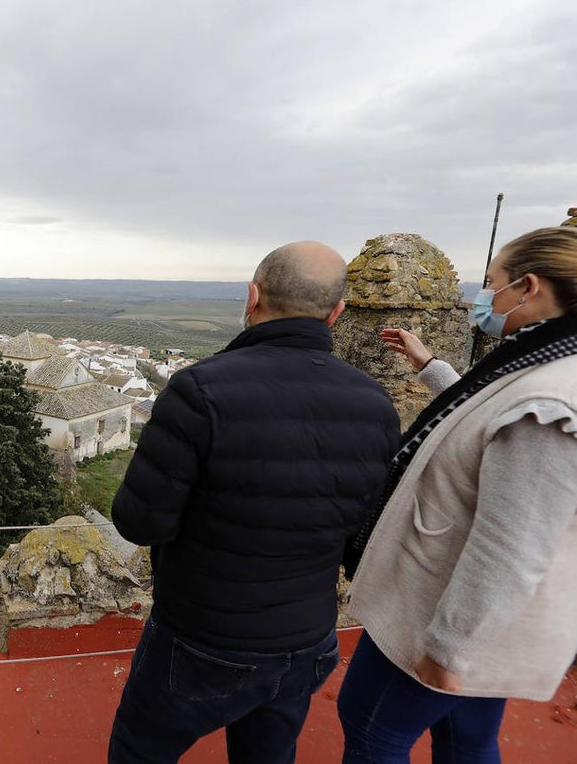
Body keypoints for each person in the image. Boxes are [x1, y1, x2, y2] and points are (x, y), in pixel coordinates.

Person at [108, 241, 401, 764]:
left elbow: (138, 521)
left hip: (203, 637)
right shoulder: (374, 403)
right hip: (307, 638)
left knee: (140, 751)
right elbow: (363, 529)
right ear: (336, 313)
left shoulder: (200, 389)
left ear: (252, 297)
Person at [339, 226, 577, 763]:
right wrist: (430, 366)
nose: (483, 297)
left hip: (444, 612)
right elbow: (483, 415)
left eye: (492, 283)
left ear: (528, 288)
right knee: (464, 738)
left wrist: (450, 647)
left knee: (372, 728)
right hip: (484, 616)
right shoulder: (544, 362)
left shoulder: (551, 402)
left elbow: (513, 543)